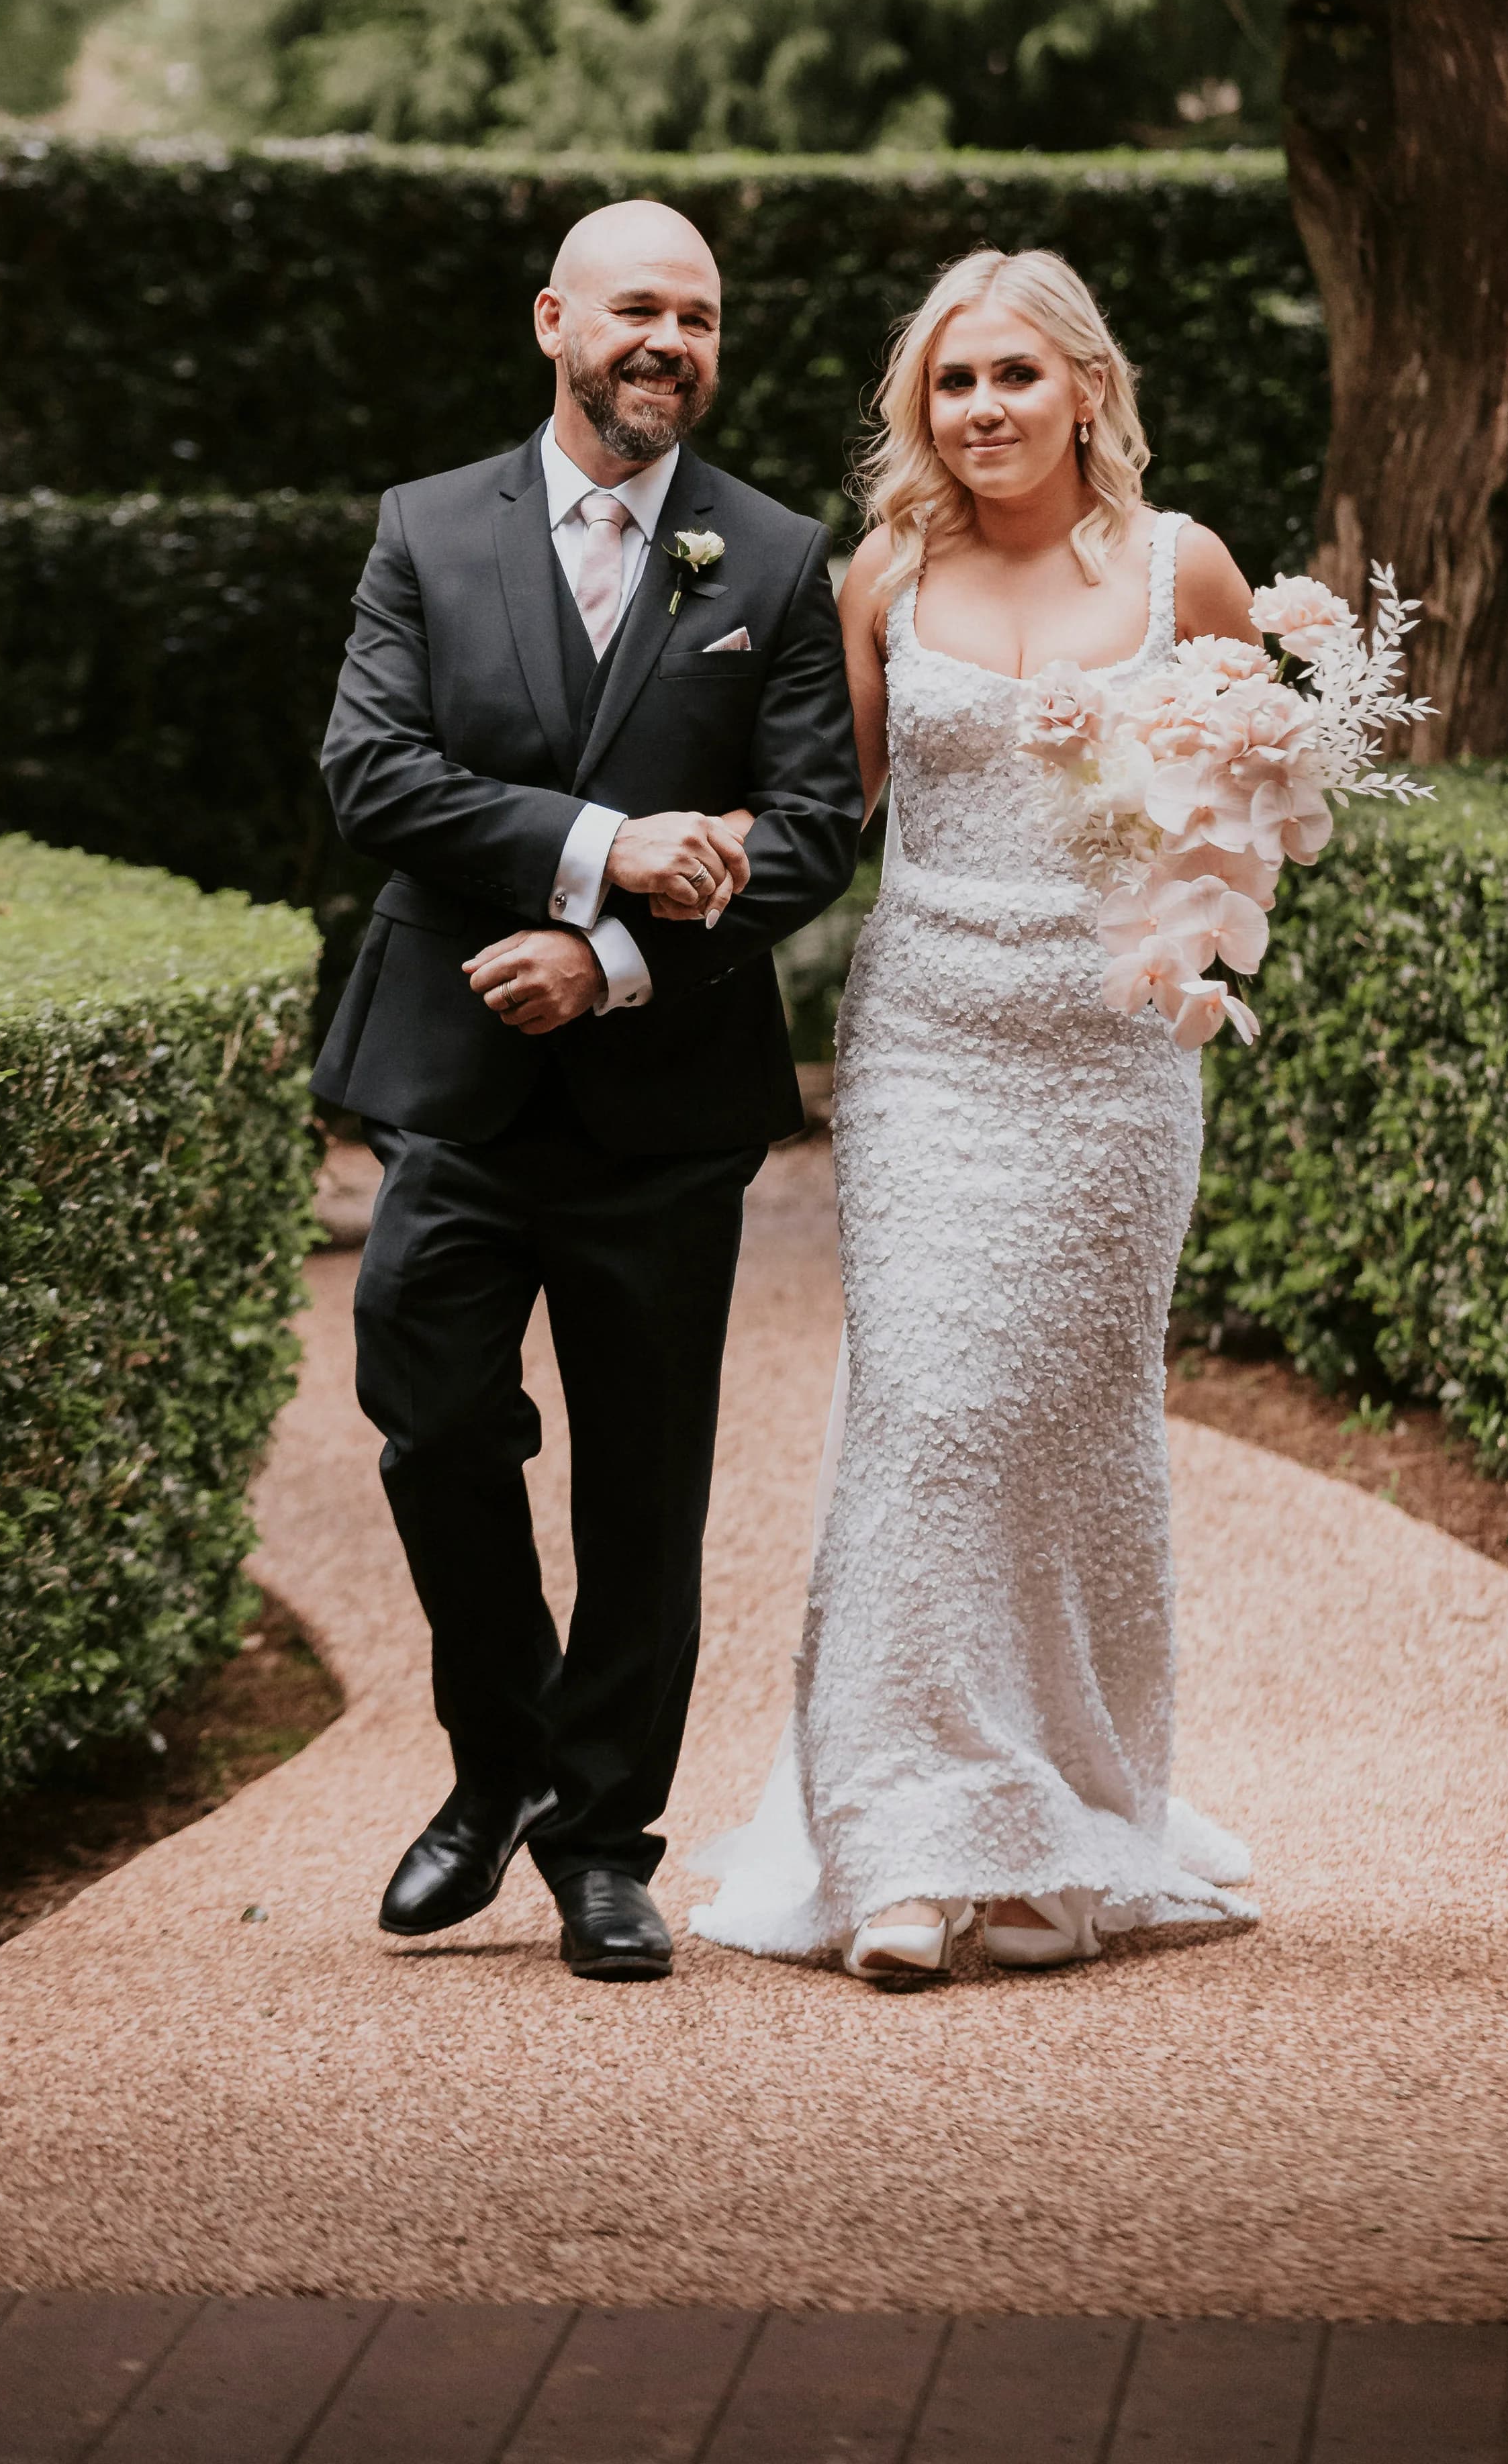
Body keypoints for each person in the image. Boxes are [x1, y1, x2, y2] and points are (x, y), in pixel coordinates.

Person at [694, 246, 1259, 1981]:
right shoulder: (885, 574)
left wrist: (1196, 954)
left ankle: (1061, 1831)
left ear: (1088, 387)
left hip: (1112, 1072)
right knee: (930, 1415)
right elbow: (829, 807)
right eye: (953, 383)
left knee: (1070, 1437)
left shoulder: (1189, 571)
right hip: (931, 1049)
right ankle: (906, 1845)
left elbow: (1240, 828)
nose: (984, 409)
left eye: (1015, 375)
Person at [315, 199, 862, 1981]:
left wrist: (611, 961)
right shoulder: (424, 532)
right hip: (458, 1094)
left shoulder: (773, 563)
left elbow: (809, 837)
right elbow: (373, 774)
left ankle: (606, 1846)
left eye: (700, 320)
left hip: (662, 1107)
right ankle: (500, 1764)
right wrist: (606, 852)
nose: (671, 345)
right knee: (433, 1413)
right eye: (640, 310)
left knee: (645, 1482)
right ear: (555, 320)